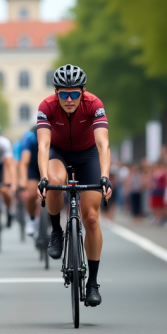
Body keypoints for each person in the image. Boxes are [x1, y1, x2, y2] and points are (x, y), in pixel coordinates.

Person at [36, 64, 112, 306]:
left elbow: (103, 145)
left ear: (83, 92)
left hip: (87, 154)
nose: (69, 99)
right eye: (64, 94)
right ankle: (56, 230)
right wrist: (43, 177)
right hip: (59, 153)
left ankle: (92, 283)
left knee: (90, 217)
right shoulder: (46, 107)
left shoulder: (94, 104)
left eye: (75, 94)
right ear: (56, 92)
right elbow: (43, 146)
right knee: (56, 182)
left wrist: (105, 175)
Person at [18, 128, 40, 236]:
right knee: (32, 194)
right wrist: (23, 181)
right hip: (33, 168)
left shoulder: (55, 133)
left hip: (50, 164)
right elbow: (24, 162)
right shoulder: (30, 137)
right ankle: (31, 219)